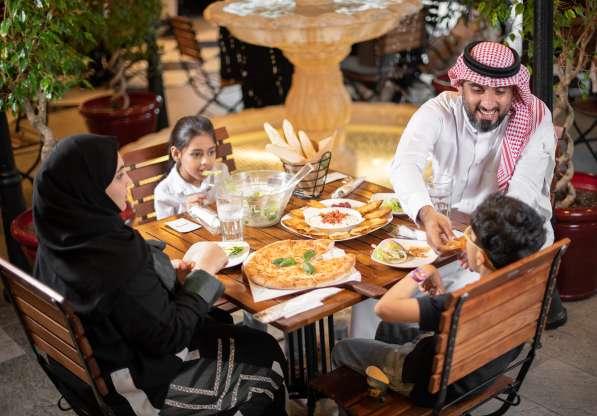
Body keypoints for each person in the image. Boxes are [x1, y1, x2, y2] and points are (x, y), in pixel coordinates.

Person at [33, 134, 287, 415]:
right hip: (140, 387)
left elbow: (123, 303)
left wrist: (157, 277)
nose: (129, 183)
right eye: (119, 176)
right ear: (88, 189)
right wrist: (204, 272)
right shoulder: (117, 258)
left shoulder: (60, 241)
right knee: (266, 363)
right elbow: (171, 335)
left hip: (94, 377)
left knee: (250, 339)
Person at [388, 40, 566, 328]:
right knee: (382, 287)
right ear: (460, 86)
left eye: (500, 92)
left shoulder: (534, 118)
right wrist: (426, 213)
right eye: (478, 89)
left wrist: (477, 241)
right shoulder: (438, 111)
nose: (488, 103)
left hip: (506, 242)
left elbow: (521, 195)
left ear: (514, 91)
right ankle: (381, 354)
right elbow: (405, 164)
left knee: (445, 310)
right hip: (449, 232)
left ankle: (414, 352)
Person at [333, 193, 546, 407]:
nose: (464, 238)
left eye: (469, 233)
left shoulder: (458, 304)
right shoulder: (527, 293)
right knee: (386, 330)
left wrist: (422, 270)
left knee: (343, 348)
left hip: (428, 386)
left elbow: (384, 308)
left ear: (481, 257)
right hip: (476, 378)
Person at [154, 115, 225, 220]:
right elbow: (164, 229)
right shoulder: (164, 192)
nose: (206, 161)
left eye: (211, 152)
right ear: (176, 154)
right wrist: (185, 212)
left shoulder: (221, 171)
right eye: (196, 154)